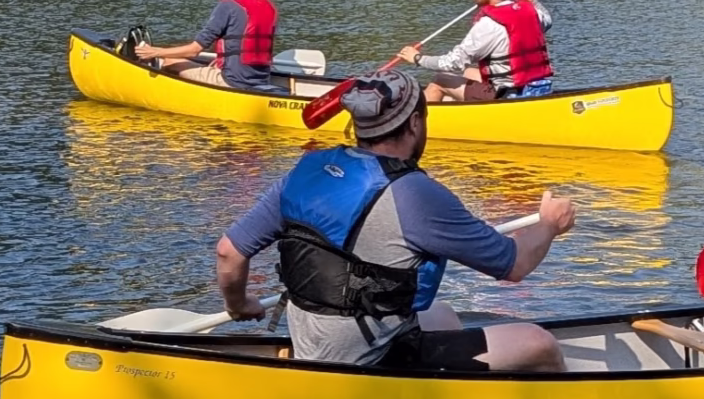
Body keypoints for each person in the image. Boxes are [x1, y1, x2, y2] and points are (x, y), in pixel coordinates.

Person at [215, 71, 578, 371]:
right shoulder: (417, 194)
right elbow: (515, 264)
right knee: (539, 343)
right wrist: (549, 225)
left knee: (444, 315)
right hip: (368, 358)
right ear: (415, 122)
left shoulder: (305, 171)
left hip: (311, 343)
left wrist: (238, 305)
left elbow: (229, 252)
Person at [399, 0, 554, 103]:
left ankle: (417, 125)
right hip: (531, 87)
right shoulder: (530, 11)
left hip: (505, 93)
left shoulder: (489, 24)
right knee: (468, 73)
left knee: (441, 80)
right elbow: (547, 18)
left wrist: (418, 59)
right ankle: (459, 116)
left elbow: (453, 62)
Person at [134, 0, 279, 90]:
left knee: (169, 61)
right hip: (261, 79)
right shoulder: (267, 4)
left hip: (232, 81)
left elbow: (194, 50)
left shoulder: (228, 5)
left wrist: (155, 52)